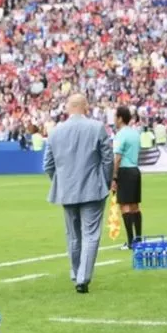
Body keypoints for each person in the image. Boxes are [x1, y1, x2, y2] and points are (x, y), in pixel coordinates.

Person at [43, 94, 114, 294]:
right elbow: (107, 159)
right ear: (85, 106)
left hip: (67, 190)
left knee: (73, 235)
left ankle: (76, 273)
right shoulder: (96, 127)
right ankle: (83, 278)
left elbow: (47, 165)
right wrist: (105, 182)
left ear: (68, 108)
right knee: (91, 235)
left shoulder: (55, 132)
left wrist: (61, 182)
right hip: (93, 188)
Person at [112, 106, 143, 248]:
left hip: (124, 170)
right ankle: (138, 238)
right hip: (135, 170)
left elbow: (117, 158)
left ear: (119, 118)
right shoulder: (135, 134)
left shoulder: (121, 135)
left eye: (115, 117)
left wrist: (114, 177)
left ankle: (131, 241)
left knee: (125, 205)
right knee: (135, 206)